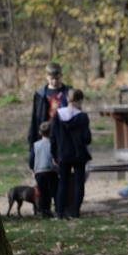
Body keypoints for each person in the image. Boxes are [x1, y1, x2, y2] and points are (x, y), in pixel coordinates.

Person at [50, 89, 92, 220]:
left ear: (68, 99)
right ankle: (75, 212)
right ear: (80, 100)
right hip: (79, 154)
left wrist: (54, 153)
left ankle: (60, 212)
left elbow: (53, 137)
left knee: (63, 182)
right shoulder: (82, 117)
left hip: (63, 153)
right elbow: (87, 138)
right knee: (79, 183)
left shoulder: (57, 115)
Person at [28, 63, 73, 159]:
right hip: (46, 130)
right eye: (51, 78)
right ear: (46, 76)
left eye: (57, 78)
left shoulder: (68, 92)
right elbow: (35, 116)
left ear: (61, 76)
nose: (54, 81)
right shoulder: (40, 94)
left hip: (64, 130)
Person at [28, 121, 59, 218]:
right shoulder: (54, 144)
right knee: (54, 191)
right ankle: (57, 209)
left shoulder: (35, 145)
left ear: (40, 132)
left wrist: (32, 168)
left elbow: (31, 159)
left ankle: (44, 210)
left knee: (43, 192)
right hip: (51, 170)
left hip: (39, 172)